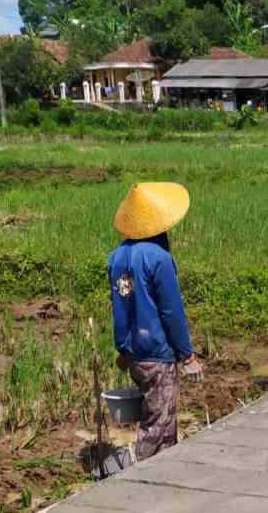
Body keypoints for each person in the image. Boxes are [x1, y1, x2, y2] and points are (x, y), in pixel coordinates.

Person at [108, 182, 203, 461]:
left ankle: (160, 470)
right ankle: (140, 476)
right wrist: (187, 356)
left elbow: (122, 303)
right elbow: (171, 312)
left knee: (155, 416)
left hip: (132, 354)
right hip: (156, 354)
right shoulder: (158, 258)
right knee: (159, 425)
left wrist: (124, 349)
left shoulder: (116, 258)